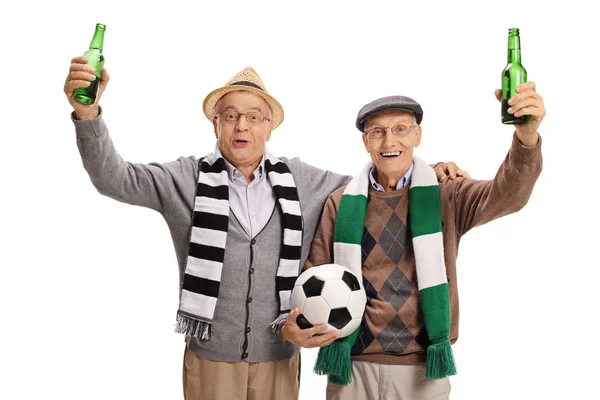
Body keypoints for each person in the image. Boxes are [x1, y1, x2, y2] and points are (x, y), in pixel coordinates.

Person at [63, 57, 468, 400]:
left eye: (253, 117)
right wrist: (87, 114)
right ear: (215, 125)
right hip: (211, 359)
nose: (242, 127)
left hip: (279, 356)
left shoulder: (302, 180)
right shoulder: (185, 179)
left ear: (269, 127)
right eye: (231, 116)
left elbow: (375, 183)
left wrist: (429, 172)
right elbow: (113, 178)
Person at [283, 85, 544, 400]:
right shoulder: (341, 203)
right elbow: (315, 276)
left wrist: (525, 138)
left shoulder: (446, 193)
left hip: (424, 371)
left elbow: (508, 195)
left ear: (417, 136)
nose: (390, 141)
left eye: (400, 129)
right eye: (377, 132)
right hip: (352, 368)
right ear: (365, 142)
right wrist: (295, 323)